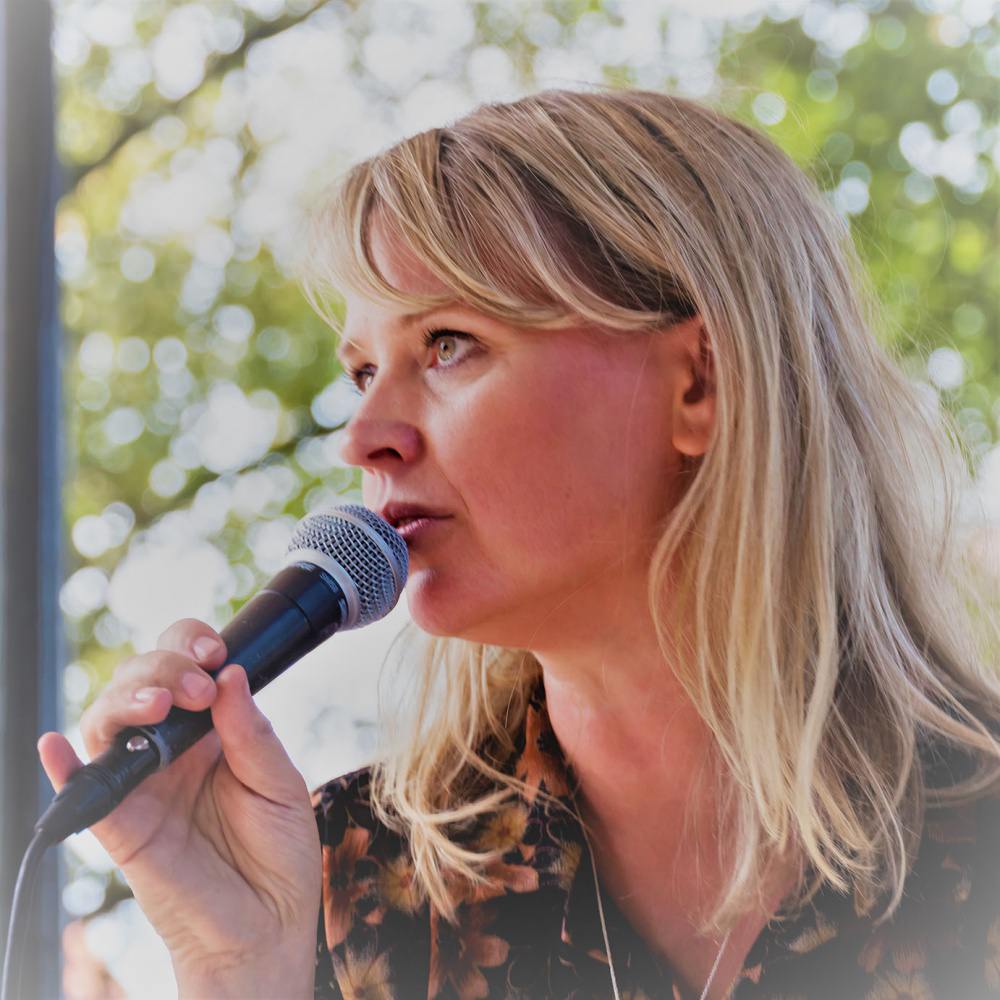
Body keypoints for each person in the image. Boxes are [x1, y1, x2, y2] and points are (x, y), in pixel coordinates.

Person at [38, 88, 1000, 999]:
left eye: (447, 345)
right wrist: (236, 965)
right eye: (363, 371)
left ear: (699, 385)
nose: (362, 438)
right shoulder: (339, 878)